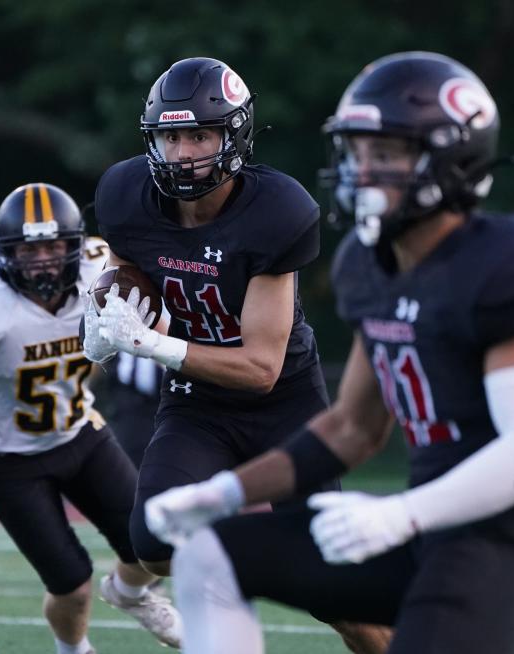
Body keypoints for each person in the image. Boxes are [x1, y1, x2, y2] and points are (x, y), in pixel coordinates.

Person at [140, 51, 514, 654]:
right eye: (357, 152)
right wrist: (222, 496)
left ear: (453, 156)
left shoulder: (510, 262)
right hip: (428, 531)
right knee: (210, 554)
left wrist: (399, 515)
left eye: (387, 154)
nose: (364, 170)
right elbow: (351, 428)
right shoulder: (366, 264)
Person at [85, 56, 390, 654]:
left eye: (200, 134)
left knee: (338, 600)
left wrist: (149, 343)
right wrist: (108, 298)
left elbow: (259, 369)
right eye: (172, 136)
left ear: (234, 135)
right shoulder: (126, 193)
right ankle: (207, 579)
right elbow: (126, 267)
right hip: (197, 406)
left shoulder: (277, 211)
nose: (184, 152)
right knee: (153, 539)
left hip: (285, 405)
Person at [0, 184, 180, 654]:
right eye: (29, 249)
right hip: (4, 457)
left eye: (53, 245)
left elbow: (159, 317)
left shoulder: (103, 272)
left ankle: (129, 592)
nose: (42, 259)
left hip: (79, 430)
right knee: (72, 582)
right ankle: (73, 650)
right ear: (5, 253)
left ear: (75, 245)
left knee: (153, 543)